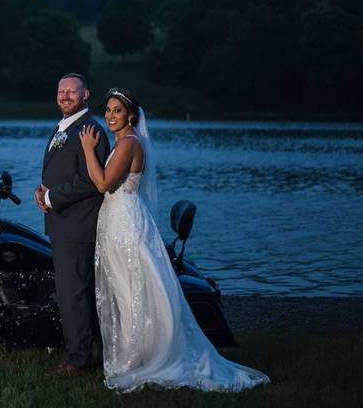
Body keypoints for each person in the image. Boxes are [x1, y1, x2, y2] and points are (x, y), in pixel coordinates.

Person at [79, 87, 270, 392]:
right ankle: (137, 355)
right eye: (108, 110)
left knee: (135, 292)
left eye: (117, 110)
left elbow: (102, 182)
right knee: (126, 293)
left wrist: (88, 149)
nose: (111, 116)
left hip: (126, 225)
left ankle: (150, 356)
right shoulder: (122, 143)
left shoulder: (129, 143)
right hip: (115, 222)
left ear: (131, 115)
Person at [34, 73, 110, 376]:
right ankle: (92, 351)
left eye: (72, 92)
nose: (65, 96)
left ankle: (78, 361)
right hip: (64, 222)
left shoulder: (90, 129)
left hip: (78, 225)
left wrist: (52, 198)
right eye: (61, 91)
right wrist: (42, 190)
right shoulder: (65, 126)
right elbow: (63, 170)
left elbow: (91, 180)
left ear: (86, 95)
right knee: (77, 292)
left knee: (72, 294)